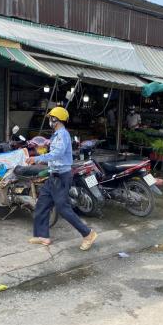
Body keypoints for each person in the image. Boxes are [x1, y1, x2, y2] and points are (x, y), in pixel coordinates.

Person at [26, 107, 97, 251]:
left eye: (50, 118)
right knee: (42, 204)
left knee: (63, 209)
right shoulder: (56, 135)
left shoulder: (63, 135)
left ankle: (88, 234)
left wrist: (37, 158)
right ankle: (42, 236)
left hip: (61, 178)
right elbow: (53, 152)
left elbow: (57, 153)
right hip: (53, 176)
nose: (49, 120)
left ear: (55, 119)